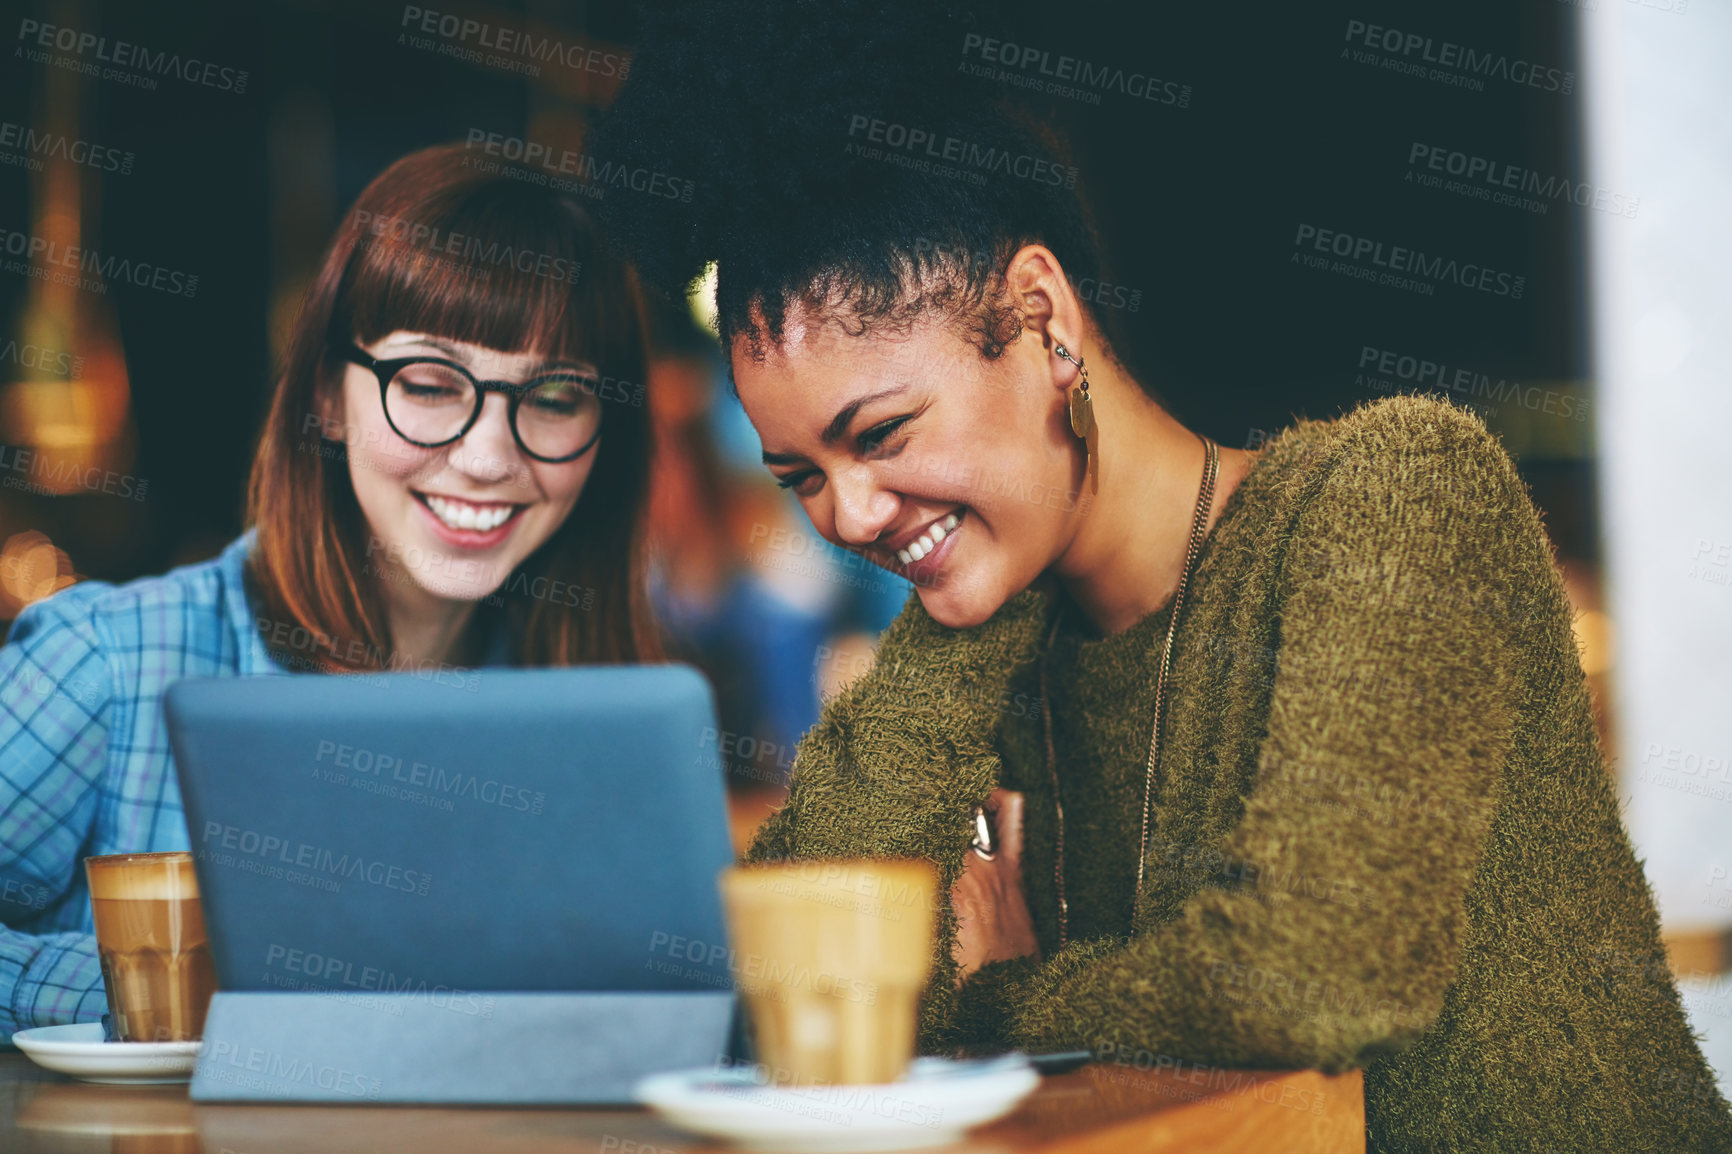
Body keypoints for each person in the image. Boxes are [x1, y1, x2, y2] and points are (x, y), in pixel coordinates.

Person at [586, 2, 1732, 1149]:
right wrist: (956, 597)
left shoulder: (1395, 492)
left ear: (1041, 318)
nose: (848, 514)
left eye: (880, 435)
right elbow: (782, 1016)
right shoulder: (998, 636)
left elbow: (1314, 973)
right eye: (801, 476)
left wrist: (991, 1002)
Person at [0, 142, 656, 1038]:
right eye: (428, 383)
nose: (490, 457)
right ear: (325, 397)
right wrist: (185, 996)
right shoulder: (114, 664)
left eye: (552, 397)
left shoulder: (598, 721)